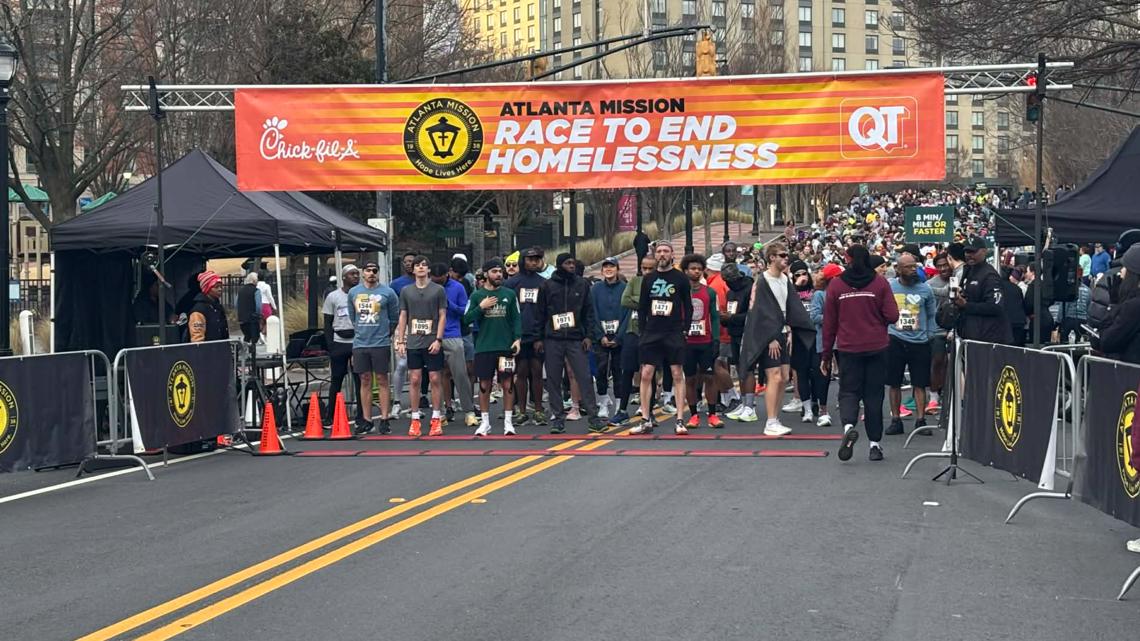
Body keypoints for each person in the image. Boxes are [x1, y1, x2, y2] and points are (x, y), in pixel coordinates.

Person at [821, 245, 899, 462]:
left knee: (848, 391)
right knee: (874, 395)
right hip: (877, 345)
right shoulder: (880, 282)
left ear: (848, 259)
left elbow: (829, 324)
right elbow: (892, 315)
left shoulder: (837, 285)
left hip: (848, 347)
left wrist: (826, 355)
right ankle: (875, 445)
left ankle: (848, 426)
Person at [739, 243, 814, 436]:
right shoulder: (763, 280)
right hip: (768, 335)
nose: (785, 258)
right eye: (781, 255)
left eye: (786, 255)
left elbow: (789, 306)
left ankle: (776, 419)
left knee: (783, 377)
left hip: (782, 332)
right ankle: (770, 420)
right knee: (774, 376)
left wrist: (789, 329)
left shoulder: (784, 279)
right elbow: (759, 312)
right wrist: (770, 337)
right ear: (771, 257)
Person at [535, 252, 607, 433]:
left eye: (573, 263)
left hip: (576, 339)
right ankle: (558, 419)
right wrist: (538, 338)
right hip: (553, 339)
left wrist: (589, 336)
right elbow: (540, 314)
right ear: (560, 265)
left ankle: (593, 417)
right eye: (567, 263)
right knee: (553, 379)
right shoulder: (547, 286)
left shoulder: (582, 284)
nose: (572, 266)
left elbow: (589, 312)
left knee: (584, 377)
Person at [634, 241, 691, 435]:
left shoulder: (680, 278)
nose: (662, 254)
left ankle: (680, 420)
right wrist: (643, 332)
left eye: (666, 251)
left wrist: (686, 329)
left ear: (672, 254)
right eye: (659, 251)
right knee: (646, 374)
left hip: (674, 331)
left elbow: (688, 305)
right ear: (655, 255)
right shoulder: (648, 278)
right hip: (652, 332)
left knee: (677, 373)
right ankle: (645, 418)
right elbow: (642, 307)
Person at [464, 260, 522, 436]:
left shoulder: (510, 294)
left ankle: (508, 422)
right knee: (484, 384)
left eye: (500, 271)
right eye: (495, 271)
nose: (499, 274)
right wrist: (481, 308)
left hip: (505, 346)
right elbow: (465, 319)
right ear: (486, 274)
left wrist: (517, 339)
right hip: (484, 346)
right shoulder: (476, 296)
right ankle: (485, 422)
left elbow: (516, 318)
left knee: (507, 383)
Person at [885, 254, 938, 436]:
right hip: (895, 338)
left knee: (920, 383)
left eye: (914, 266)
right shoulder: (890, 287)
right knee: (894, 383)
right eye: (908, 267)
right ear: (898, 269)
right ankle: (895, 419)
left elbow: (932, 314)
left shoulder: (925, 289)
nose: (913, 270)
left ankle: (920, 420)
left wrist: (930, 334)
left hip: (920, 340)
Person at [395, 256, 448, 437]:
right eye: (418, 265)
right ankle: (415, 417)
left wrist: (439, 339)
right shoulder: (406, 291)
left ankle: (436, 417)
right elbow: (403, 315)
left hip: (432, 339)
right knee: (415, 378)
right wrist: (401, 340)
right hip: (413, 341)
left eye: (424, 265)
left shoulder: (438, 290)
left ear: (428, 270)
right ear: (413, 269)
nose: (421, 268)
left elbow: (442, 315)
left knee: (434, 378)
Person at [347, 262, 400, 434]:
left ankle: (384, 418)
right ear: (363, 273)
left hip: (380, 342)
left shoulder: (388, 293)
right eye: (368, 270)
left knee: (382, 379)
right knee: (364, 379)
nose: (371, 273)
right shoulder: (354, 292)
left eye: (375, 271)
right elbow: (352, 316)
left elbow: (394, 317)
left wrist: (387, 334)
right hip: (360, 342)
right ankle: (367, 419)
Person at [504, 246, 549, 427]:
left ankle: (538, 410)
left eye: (536, 259)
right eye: (530, 259)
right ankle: (522, 411)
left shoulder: (544, 283)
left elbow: (546, 311)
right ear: (523, 261)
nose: (533, 262)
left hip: (537, 336)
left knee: (537, 372)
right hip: (518, 337)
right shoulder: (511, 284)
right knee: (520, 372)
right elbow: (507, 312)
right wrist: (513, 337)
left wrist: (541, 337)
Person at [431, 263, 478, 428]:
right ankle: (442, 410)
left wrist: (449, 304)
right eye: (434, 280)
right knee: (436, 376)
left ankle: (469, 411)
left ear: (447, 275)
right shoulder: (426, 287)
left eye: (440, 280)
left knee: (460, 373)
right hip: (432, 334)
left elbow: (465, 311)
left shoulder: (458, 287)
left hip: (452, 333)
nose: (437, 283)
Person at [680, 254, 723, 429]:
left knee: (709, 378)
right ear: (685, 271)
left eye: (699, 268)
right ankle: (693, 415)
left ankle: (712, 414)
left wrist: (716, 339)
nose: (696, 271)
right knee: (690, 379)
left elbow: (714, 316)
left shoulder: (710, 292)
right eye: (692, 268)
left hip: (705, 341)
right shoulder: (680, 292)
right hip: (687, 342)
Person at [614, 255, 657, 426]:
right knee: (628, 371)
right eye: (644, 268)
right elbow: (625, 300)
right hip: (633, 331)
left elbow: (659, 303)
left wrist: (639, 302)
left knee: (649, 373)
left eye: (650, 268)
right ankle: (622, 410)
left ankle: (649, 410)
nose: (646, 272)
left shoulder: (659, 284)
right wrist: (644, 303)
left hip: (652, 332)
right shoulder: (634, 282)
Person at [322, 265, 362, 427]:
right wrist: (330, 345)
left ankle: (361, 416)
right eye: (352, 274)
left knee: (360, 379)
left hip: (357, 341)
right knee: (336, 379)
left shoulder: (362, 295)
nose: (356, 277)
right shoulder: (333, 296)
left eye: (357, 274)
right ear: (344, 277)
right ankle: (330, 416)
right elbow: (327, 322)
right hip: (339, 341)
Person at [953, 237, 1012, 344]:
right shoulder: (968, 270)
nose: (969, 255)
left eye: (973, 251)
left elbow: (996, 307)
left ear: (984, 251)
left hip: (988, 337)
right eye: (966, 251)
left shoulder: (989, 275)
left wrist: (966, 305)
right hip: (971, 334)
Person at [590, 257, 628, 419]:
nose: (609, 270)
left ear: (618, 269)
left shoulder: (625, 288)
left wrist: (619, 337)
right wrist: (600, 336)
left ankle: (619, 403)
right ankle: (603, 402)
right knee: (601, 370)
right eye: (605, 267)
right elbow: (592, 313)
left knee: (619, 370)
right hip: (601, 336)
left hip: (619, 336)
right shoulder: (595, 289)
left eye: (612, 267)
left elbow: (628, 314)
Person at [807, 263, 843, 427]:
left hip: (843, 340)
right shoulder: (820, 295)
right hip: (825, 339)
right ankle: (823, 409)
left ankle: (845, 405)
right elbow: (814, 316)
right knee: (823, 376)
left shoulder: (845, 293)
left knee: (847, 374)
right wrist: (835, 320)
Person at [722, 262, 759, 422]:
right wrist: (725, 318)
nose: (729, 282)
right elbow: (731, 313)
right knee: (739, 369)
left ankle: (750, 406)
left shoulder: (750, 288)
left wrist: (732, 318)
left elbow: (754, 314)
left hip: (748, 333)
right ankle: (745, 405)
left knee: (748, 368)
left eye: (731, 279)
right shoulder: (730, 293)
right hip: (734, 333)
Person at [784, 260, 818, 423]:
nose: (802, 277)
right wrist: (796, 287)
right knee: (801, 371)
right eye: (797, 275)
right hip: (798, 337)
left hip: (816, 336)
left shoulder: (816, 291)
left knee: (817, 372)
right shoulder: (790, 292)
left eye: (804, 273)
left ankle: (818, 403)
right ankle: (806, 408)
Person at [1099, 246, 1140, 364]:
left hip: (1130, 376)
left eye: (1124, 267)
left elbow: (1107, 341)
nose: (1120, 272)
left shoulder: (1133, 306)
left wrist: (1113, 306)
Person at [926, 253, 953, 413]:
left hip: (954, 330)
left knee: (952, 364)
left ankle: (949, 394)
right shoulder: (930, 284)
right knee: (937, 362)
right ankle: (934, 395)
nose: (943, 268)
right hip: (936, 331)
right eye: (940, 266)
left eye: (945, 265)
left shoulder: (958, 280)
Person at [188, 271, 228, 343]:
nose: (220, 289)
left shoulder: (217, 307)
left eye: (221, 286)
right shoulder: (198, 311)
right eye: (216, 287)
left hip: (219, 350)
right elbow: (197, 338)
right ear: (207, 288)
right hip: (207, 351)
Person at [236, 272, 261, 346]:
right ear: (254, 281)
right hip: (253, 318)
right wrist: (258, 314)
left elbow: (236, 303)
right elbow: (258, 306)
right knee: (254, 337)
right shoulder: (256, 291)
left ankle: (244, 352)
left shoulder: (240, 291)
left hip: (242, 318)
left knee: (247, 336)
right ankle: (253, 353)